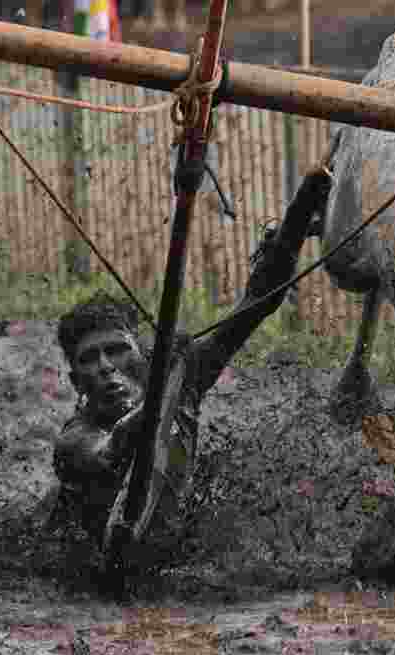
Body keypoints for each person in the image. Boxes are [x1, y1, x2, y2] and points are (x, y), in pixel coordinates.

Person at [51, 159, 334, 549]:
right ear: (75, 382)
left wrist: (300, 215)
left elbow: (257, 304)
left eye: (116, 351)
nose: (105, 367)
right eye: (89, 359)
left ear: (145, 355)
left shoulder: (182, 377)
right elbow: (111, 447)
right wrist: (160, 399)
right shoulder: (74, 440)